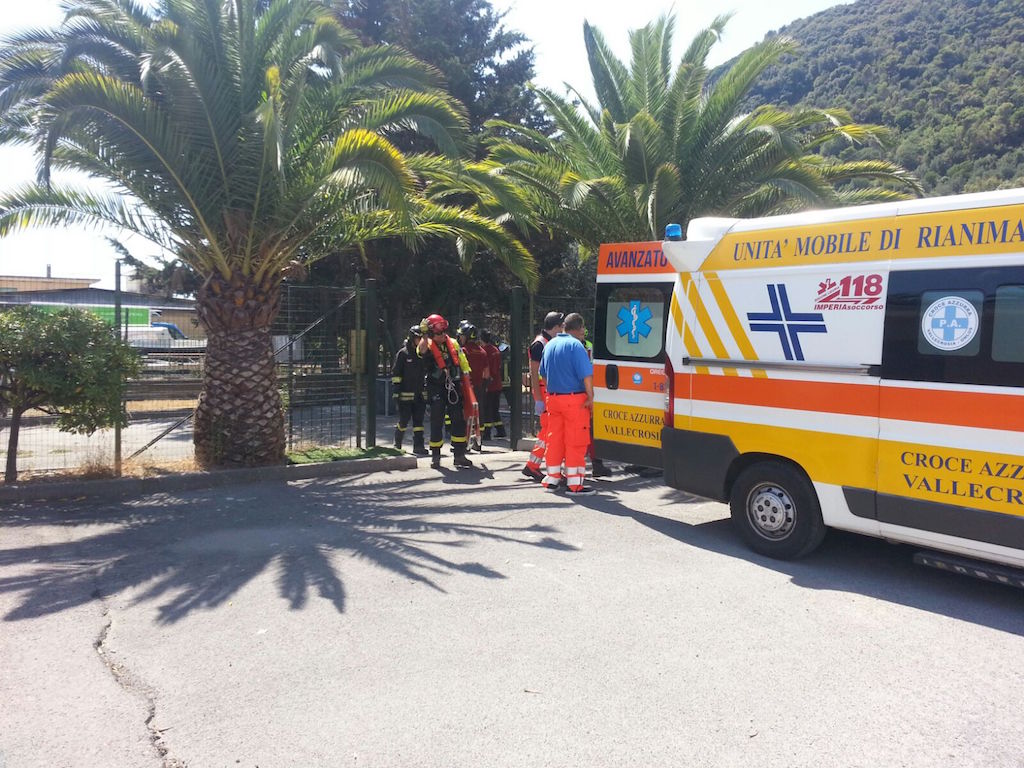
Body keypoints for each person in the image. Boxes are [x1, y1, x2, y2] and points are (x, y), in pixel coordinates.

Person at [538, 312, 595, 495]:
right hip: (574, 400)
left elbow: (543, 375)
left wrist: (550, 394)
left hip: (553, 399)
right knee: (576, 441)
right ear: (580, 328)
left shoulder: (550, 344)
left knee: (554, 439)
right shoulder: (576, 346)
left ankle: (552, 479)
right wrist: (590, 397)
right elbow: (586, 375)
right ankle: (575, 484)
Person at [418, 313, 474, 469]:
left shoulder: (453, 343)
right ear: (431, 333)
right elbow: (421, 350)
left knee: (458, 419)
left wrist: (468, 381)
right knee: (437, 419)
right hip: (436, 386)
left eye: (444, 332)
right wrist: (424, 335)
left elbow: (463, 362)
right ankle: (436, 456)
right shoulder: (427, 344)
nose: (443, 335)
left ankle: (459, 455)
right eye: (439, 333)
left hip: (453, 386)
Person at [521, 311, 564, 481]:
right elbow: (533, 373)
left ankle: (534, 465)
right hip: (543, 392)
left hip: (549, 391)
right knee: (548, 431)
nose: (563, 329)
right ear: (556, 327)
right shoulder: (539, 344)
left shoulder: (548, 342)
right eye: (562, 326)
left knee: (549, 431)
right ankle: (533, 466)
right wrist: (538, 399)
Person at [391, 325, 429, 455]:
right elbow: (396, 374)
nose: (421, 341)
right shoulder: (403, 354)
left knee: (419, 422)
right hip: (405, 396)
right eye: (418, 338)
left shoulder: (422, 354)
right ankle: (397, 443)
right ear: (412, 338)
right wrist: (396, 392)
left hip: (419, 395)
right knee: (404, 420)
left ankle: (418, 446)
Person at [457, 321, 490, 451]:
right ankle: (478, 441)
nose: (460, 338)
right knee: (478, 414)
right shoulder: (482, 352)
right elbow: (486, 373)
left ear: (466, 336)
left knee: (465, 415)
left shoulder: (463, 351)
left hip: (465, 387)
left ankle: (465, 442)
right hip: (478, 387)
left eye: (461, 336)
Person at [582, 334, 610, 478]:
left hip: (587, 391)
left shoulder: (588, 345)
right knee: (582, 432)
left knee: (591, 430)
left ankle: (596, 464)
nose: (582, 332)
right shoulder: (573, 347)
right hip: (579, 393)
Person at [480, 329, 506, 440]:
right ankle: (501, 430)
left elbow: (486, 368)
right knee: (495, 408)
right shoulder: (495, 349)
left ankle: (487, 433)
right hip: (497, 384)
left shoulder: (484, 351)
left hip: (489, 384)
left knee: (487, 409)